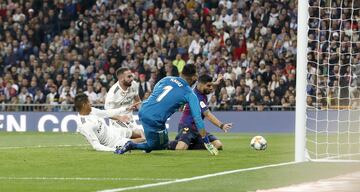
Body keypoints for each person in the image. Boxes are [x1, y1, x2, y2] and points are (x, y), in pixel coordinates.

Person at [115, 64, 219, 155]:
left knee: (158, 140)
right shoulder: (190, 93)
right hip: (155, 120)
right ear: (194, 77)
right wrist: (206, 141)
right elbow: (198, 118)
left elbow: (155, 91)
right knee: (160, 145)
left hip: (144, 109)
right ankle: (131, 145)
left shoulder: (167, 79)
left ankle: (147, 145)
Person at [168, 74, 232, 151]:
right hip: (187, 126)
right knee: (180, 148)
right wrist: (221, 125)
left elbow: (207, 83)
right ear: (200, 85)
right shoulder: (196, 97)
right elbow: (208, 114)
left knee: (218, 145)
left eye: (211, 85)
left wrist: (217, 82)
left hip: (199, 129)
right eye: (208, 86)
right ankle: (167, 144)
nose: (211, 88)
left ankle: (188, 144)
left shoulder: (200, 88)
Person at [75, 93, 145, 152]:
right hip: (113, 143)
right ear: (84, 105)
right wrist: (113, 150)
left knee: (139, 132)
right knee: (142, 141)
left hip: (114, 131)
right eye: (88, 102)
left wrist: (125, 109)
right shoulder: (84, 125)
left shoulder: (91, 110)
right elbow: (96, 145)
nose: (91, 103)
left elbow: (107, 113)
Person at [105, 67, 143, 136]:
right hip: (117, 121)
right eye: (129, 77)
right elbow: (108, 113)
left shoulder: (133, 84)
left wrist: (142, 112)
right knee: (139, 135)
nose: (132, 78)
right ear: (121, 79)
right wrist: (121, 118)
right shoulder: (113, 93)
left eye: (131, 76)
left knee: (142, 136)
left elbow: (137, 101)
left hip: (130, 119)